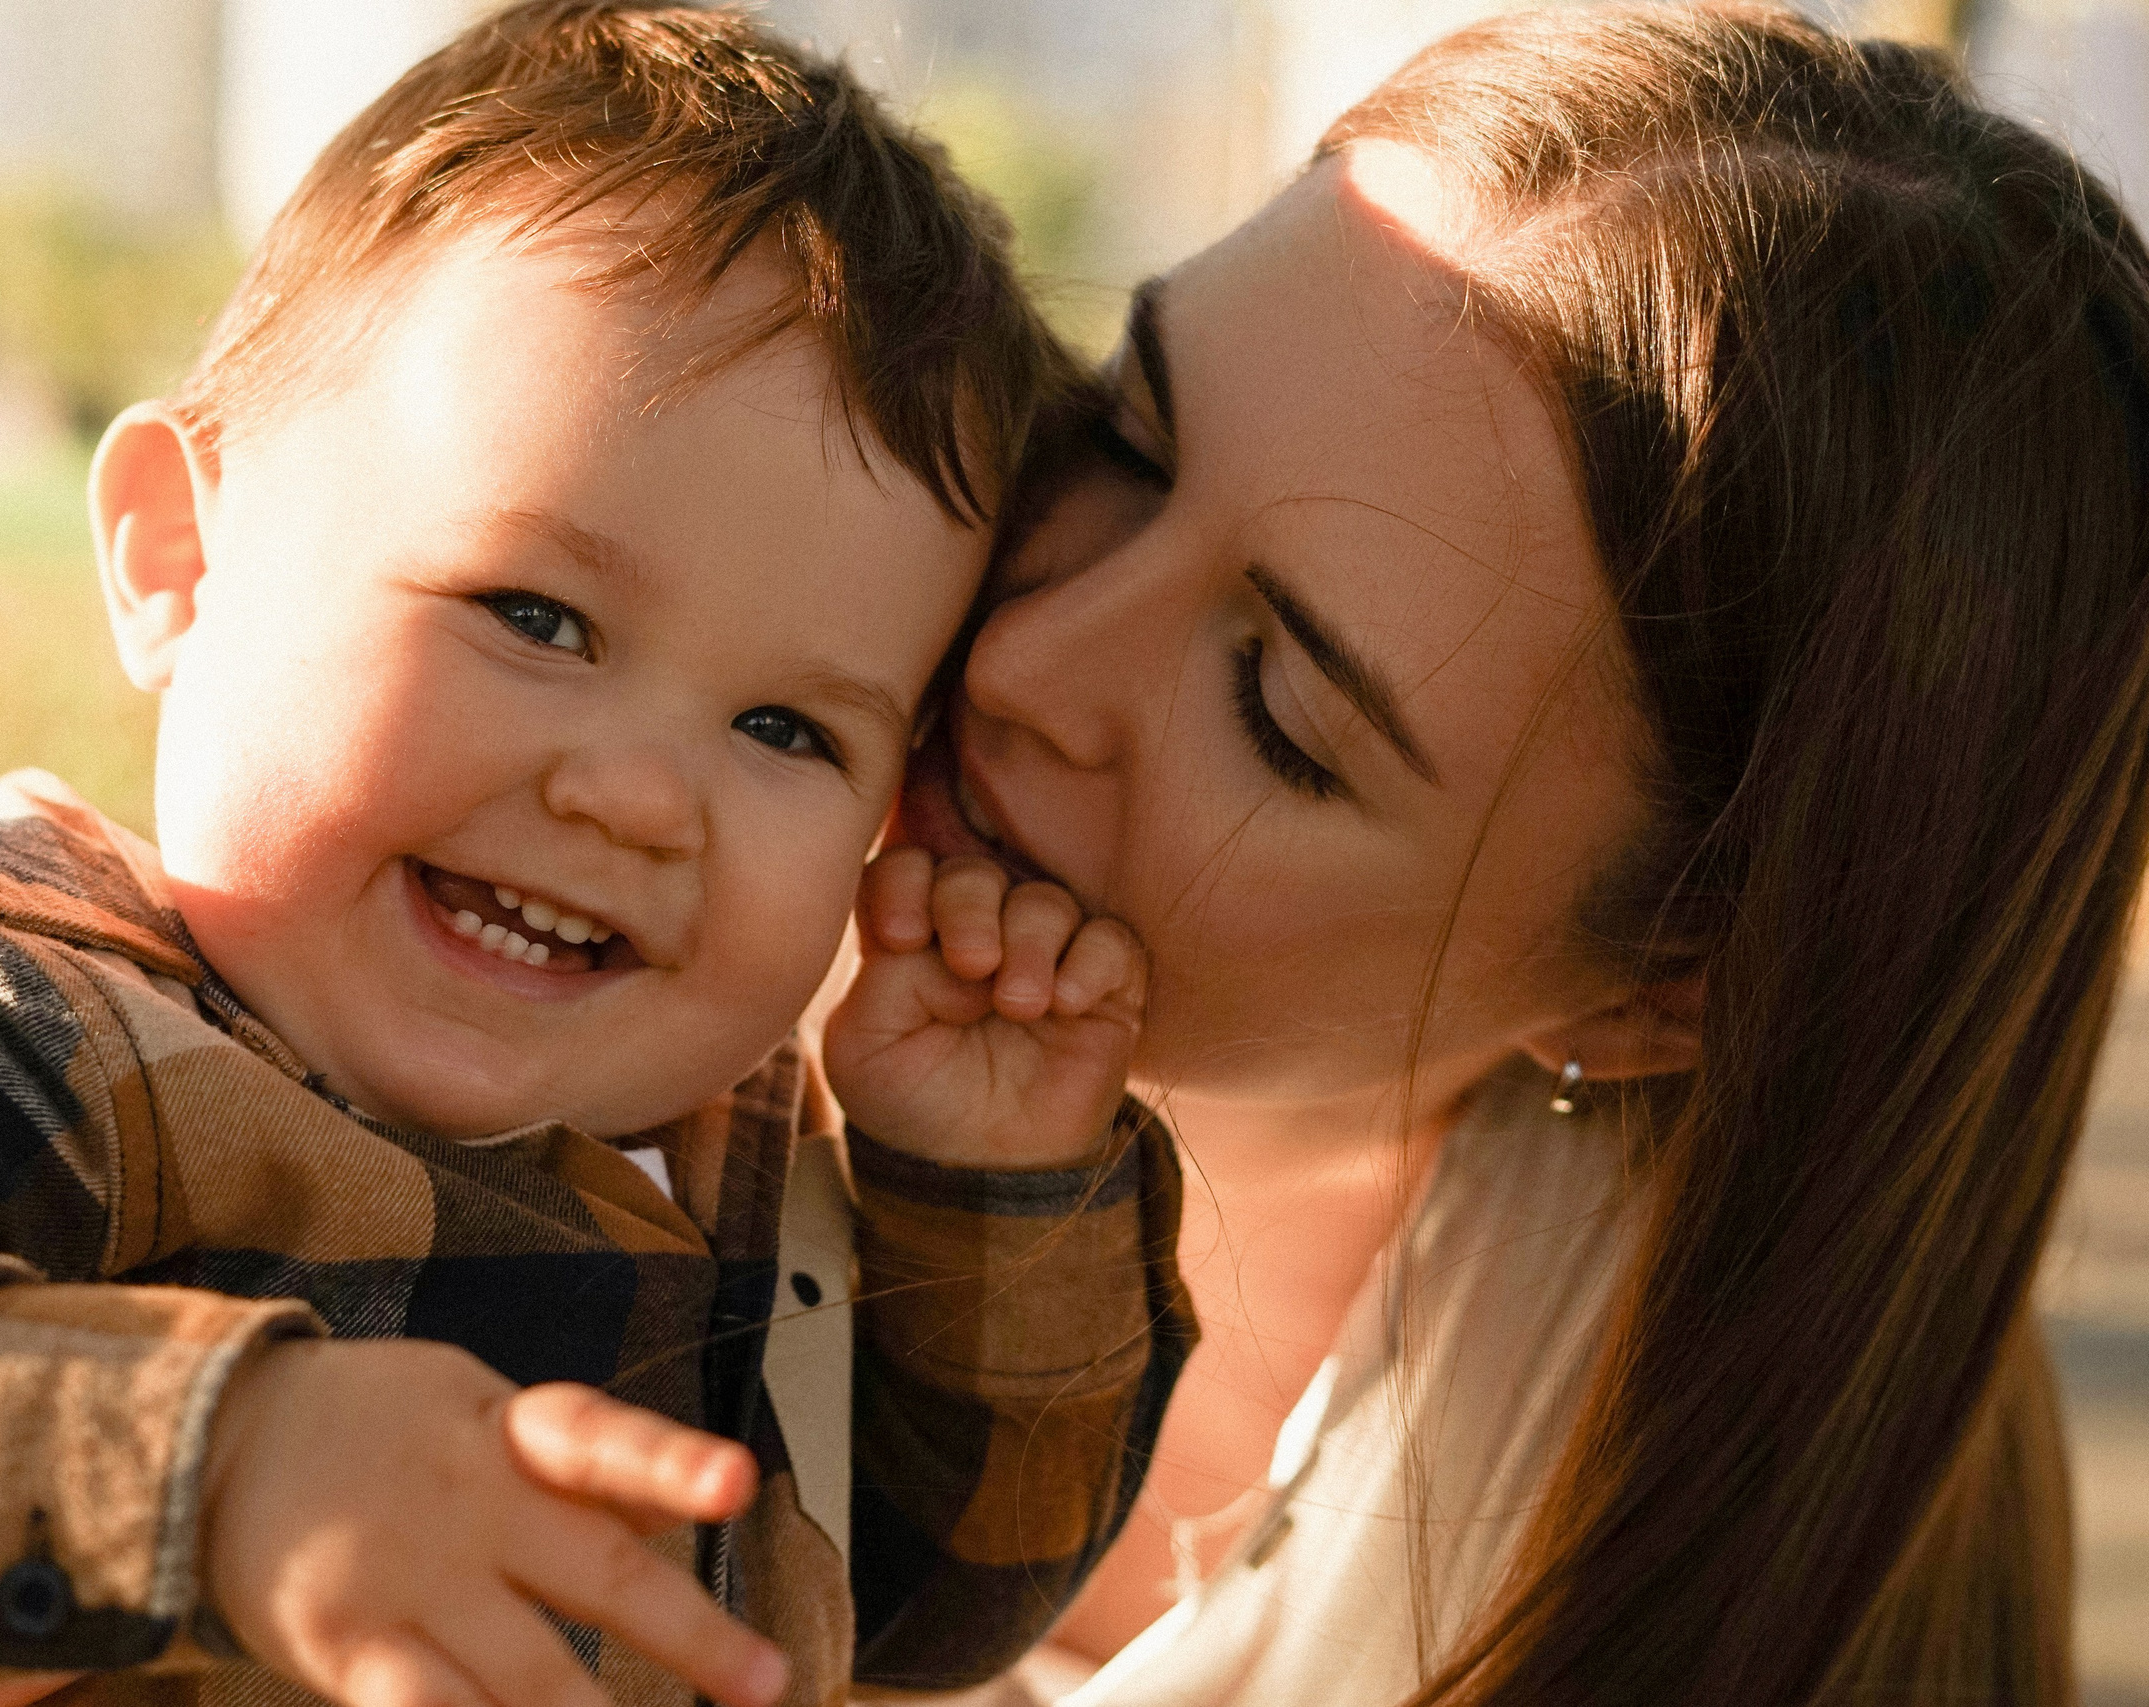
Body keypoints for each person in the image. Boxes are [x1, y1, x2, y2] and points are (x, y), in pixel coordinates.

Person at [0, 8, 1193, 1707]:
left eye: (791, 730)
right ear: (180, 558)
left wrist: (991, 1196)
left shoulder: (739, 1178)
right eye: (537, 615)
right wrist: (216, 1468)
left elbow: (937, 1610)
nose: (644, 797)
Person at [882, 4, 2146, 1702]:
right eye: (1126, 436)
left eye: (1277, 712)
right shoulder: (565, 919)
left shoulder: (1726, 1582)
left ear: (1660, 986)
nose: (1026, 664)